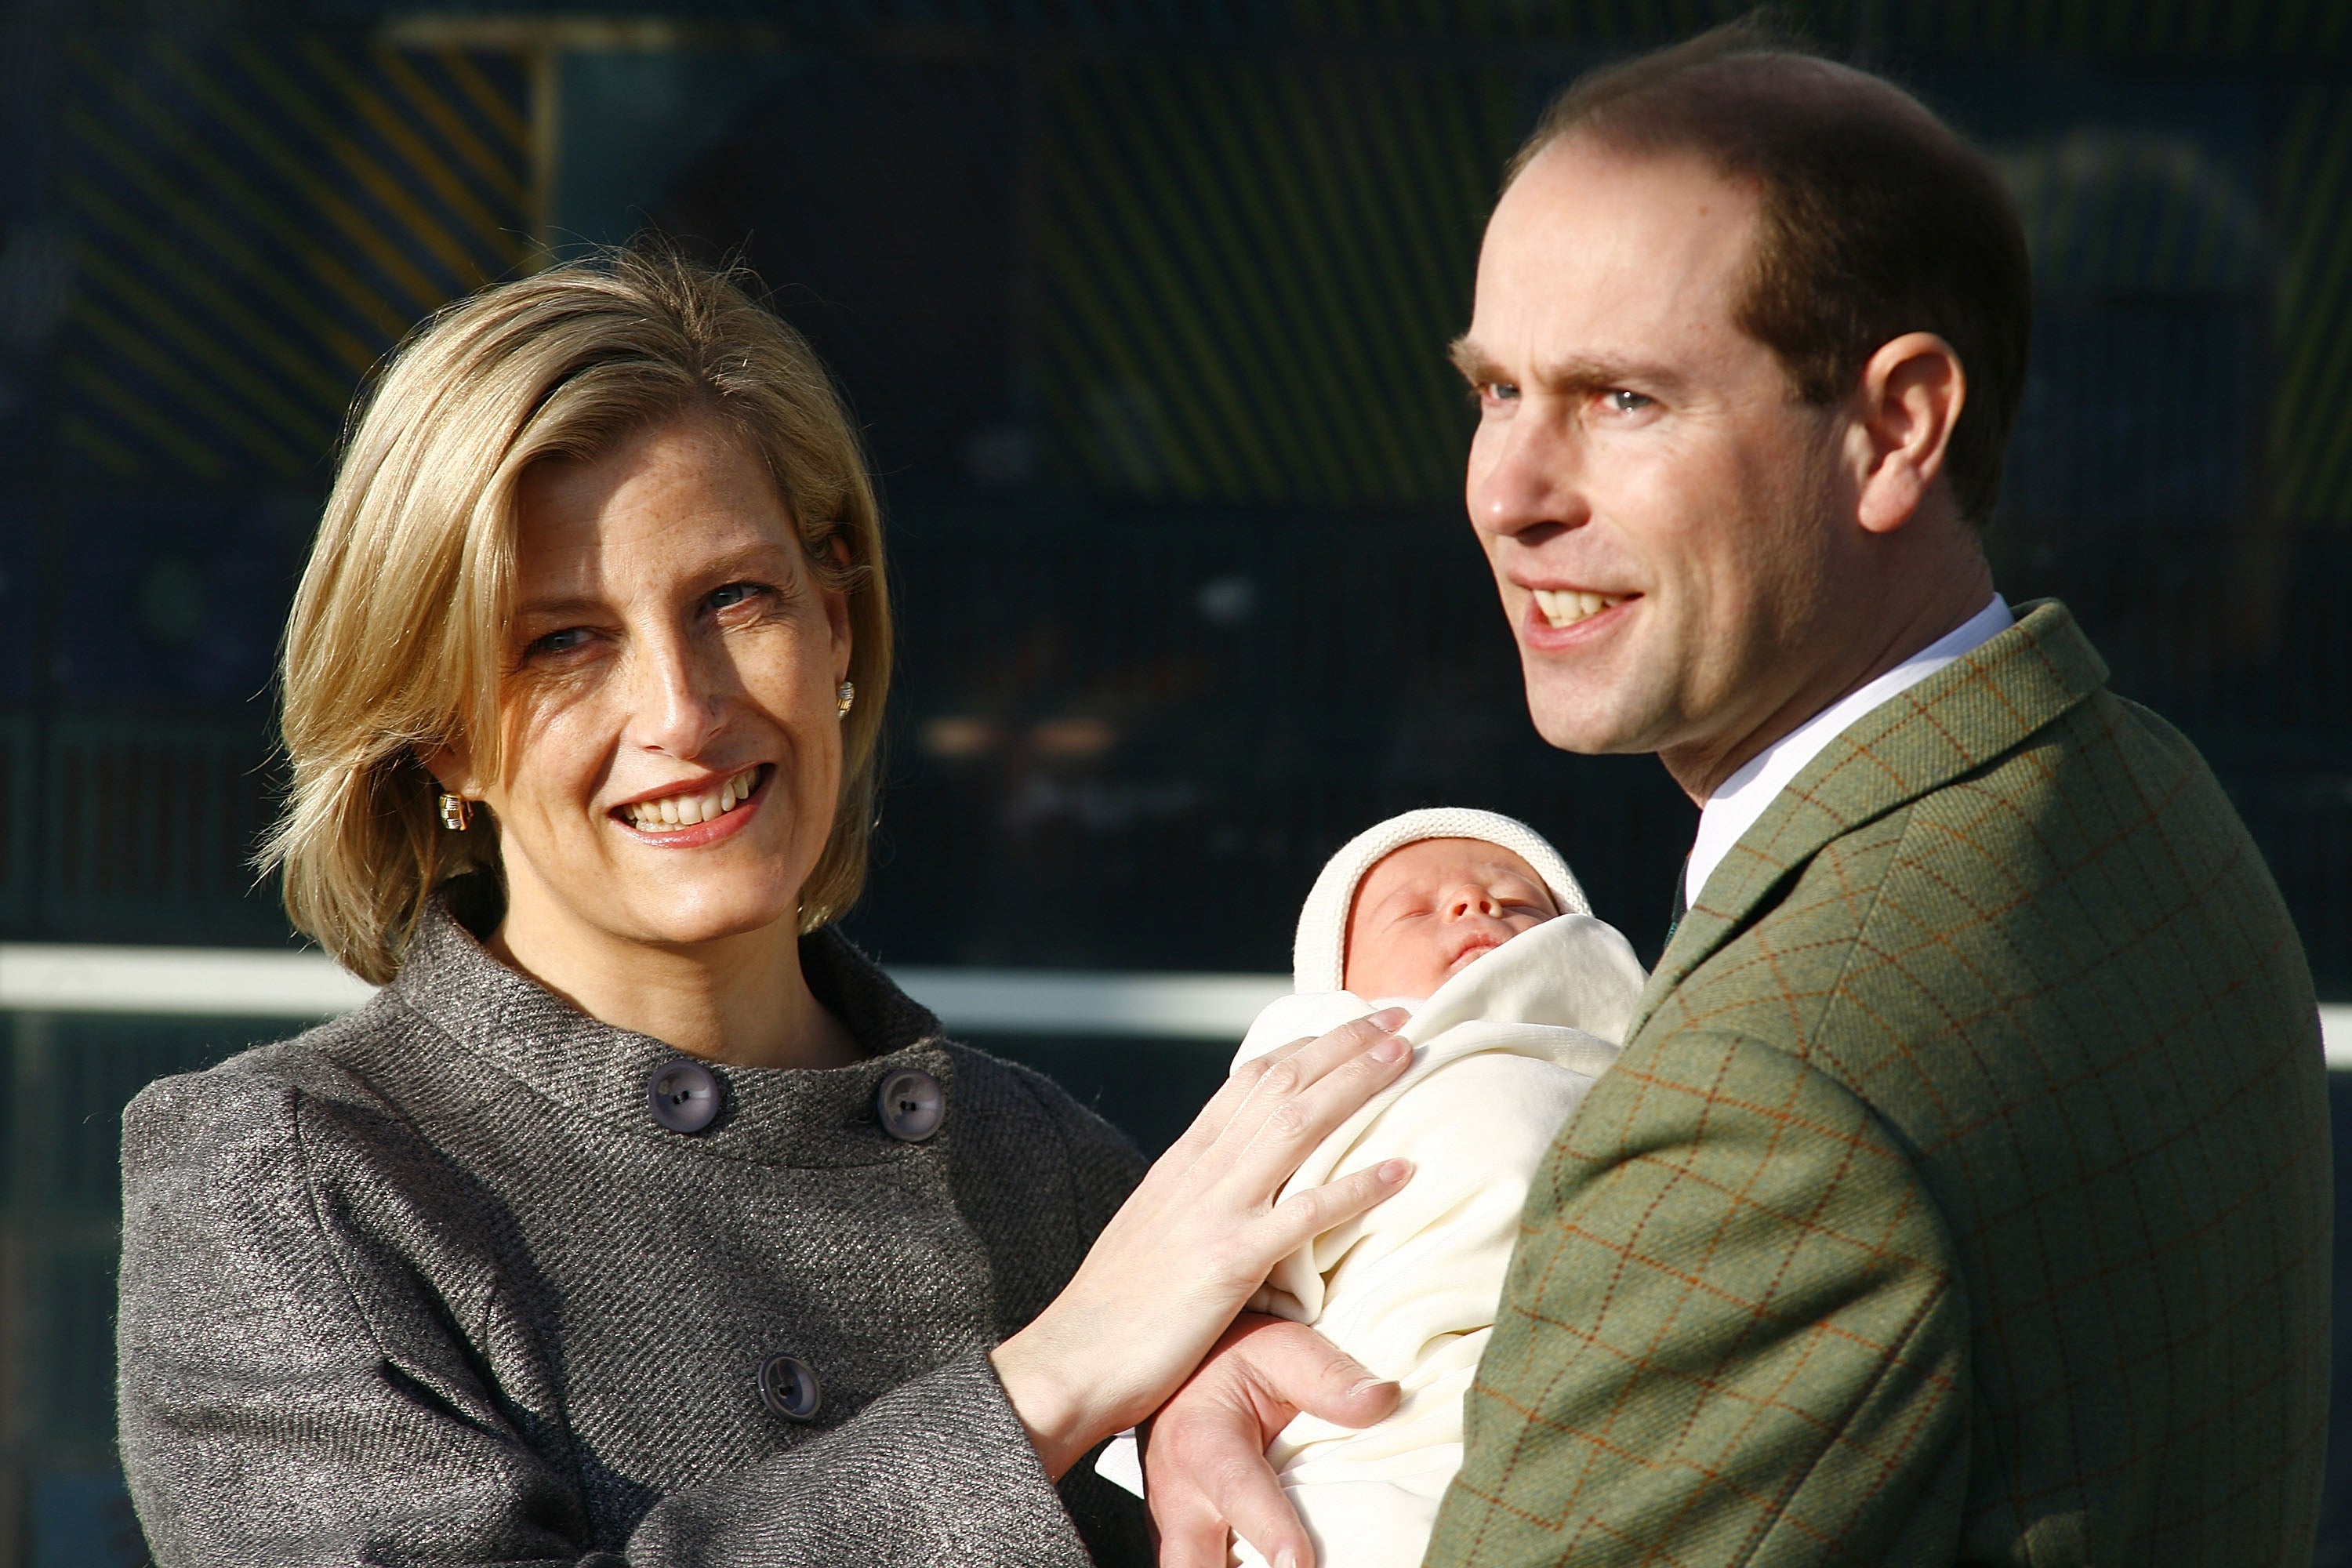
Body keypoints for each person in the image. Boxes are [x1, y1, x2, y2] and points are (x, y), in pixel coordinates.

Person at [1145, 24, 2330, 1568]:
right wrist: (1265, 1377)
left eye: (1621, 398)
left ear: (1895, 426)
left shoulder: (1772, 1107)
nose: (1508, 491)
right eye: (1494, 390)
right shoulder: (2137, 787)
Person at [111, 249, 1422, 1567]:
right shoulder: (295, 1178)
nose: (682, 712)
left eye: (733, 598)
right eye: (560, 641)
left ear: (835, 623)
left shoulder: (1057, 1172)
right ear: (436, 736)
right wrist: (1043, 1395)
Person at [1098, 809, 1646, 1568]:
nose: (1475, 905)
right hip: (1387, 1431)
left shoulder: (1643, 1074)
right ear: (1338, 985)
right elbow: (1208, 1277)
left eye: (1519, 902)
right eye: (1416, 908)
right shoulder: (1307, 1096)